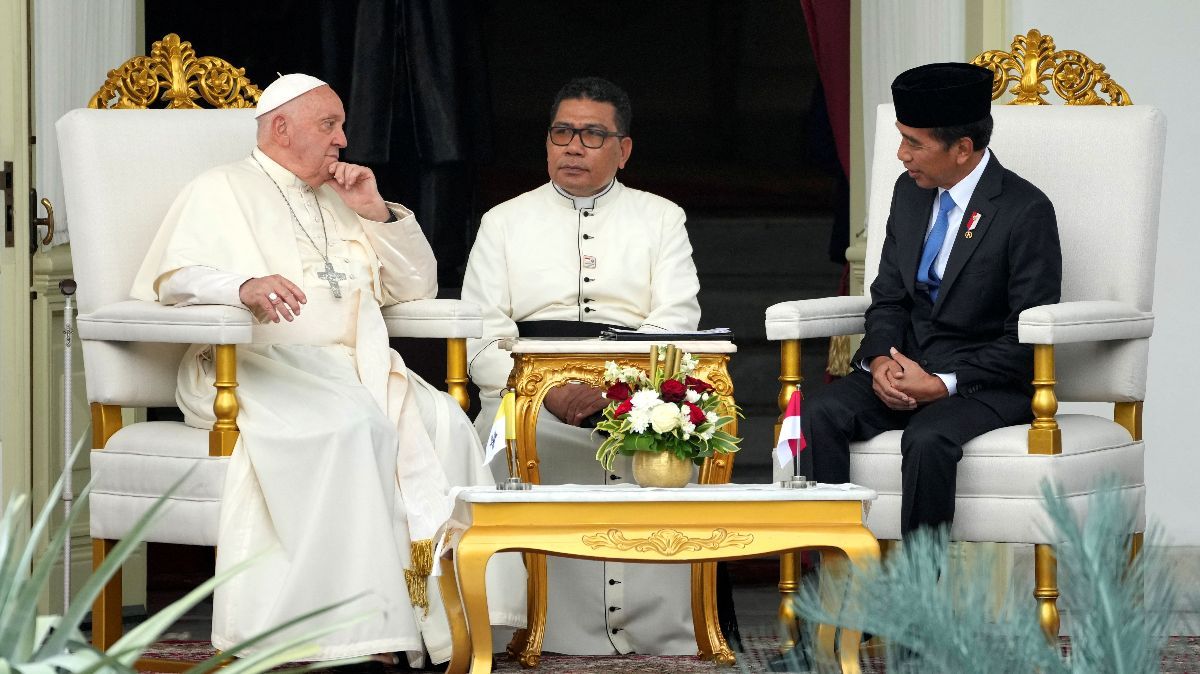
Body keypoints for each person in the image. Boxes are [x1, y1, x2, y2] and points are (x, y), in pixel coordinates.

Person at [130, 74, 524, 667]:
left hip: (355, 367)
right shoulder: (221, 189)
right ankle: (348, 637)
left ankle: (448, 624)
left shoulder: (342, 197)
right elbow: (176, 277)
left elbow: (413, 287)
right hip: (252, 367)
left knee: (445, 423)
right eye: (329, 125)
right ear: (280, 128)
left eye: (341, 126)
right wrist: (242, 285)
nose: (343, 140)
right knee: (349, 430)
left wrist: (375, 210)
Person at [460, 77, 702, 655]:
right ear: (547, 143)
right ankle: (528, 628)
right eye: (562, 132)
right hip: (524, 393)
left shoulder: (661, 217)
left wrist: (622, 392)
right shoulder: (503, 221)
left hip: (635, 389)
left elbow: (676, 319)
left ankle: (653, 632)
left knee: (664, 445)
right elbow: (481, 340)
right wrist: (547, 391)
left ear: (623, 150)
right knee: (498, 448)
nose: (574, 146)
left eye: (593, 135)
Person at [802, 62, 1062, 536]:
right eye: (901, 139)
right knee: (819, 413)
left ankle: (919, 600)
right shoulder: (910, 193)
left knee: (927, 436)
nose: (901, 154)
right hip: (906, 366)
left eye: (914, 142)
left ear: (963, 148)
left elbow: (1024, 336)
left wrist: (943, 383)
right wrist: (880, 360)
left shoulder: (1025, 210)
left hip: (985, 383)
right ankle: (834, 585)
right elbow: (888, 298)